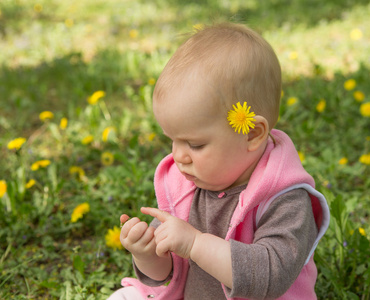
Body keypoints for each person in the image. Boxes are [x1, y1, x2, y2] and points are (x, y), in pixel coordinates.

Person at [108, 22, 330, 300]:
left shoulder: (284, 199)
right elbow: (167, 274)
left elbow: (271, 276)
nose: (178, 156)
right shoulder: (186, 186)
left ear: (252, 134)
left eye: (196, 144)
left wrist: (195, 243)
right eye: (172, 140)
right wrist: (147, 253)